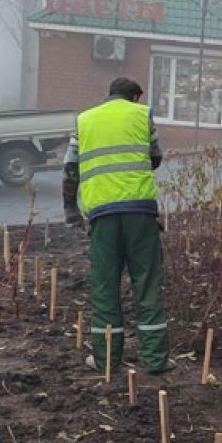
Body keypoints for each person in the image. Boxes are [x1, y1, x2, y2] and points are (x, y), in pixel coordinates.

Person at [65, 77, 170, 374]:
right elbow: (156, 157)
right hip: (140, 213)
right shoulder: (141, 114)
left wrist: (70, 210)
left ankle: (106, 358)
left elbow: (70, 169)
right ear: (135, 96)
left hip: (101, 214)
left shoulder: (84, 120)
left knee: (105, 286)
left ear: (109, 94)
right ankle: (156, 360)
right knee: (148, 283)